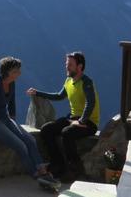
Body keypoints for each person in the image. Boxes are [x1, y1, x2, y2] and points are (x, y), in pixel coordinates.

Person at [0, 56, 60, 189]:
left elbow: (11, 104)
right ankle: (35, 174)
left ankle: (42, 169)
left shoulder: (11, 83)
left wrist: (15, 125)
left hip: (6, 119)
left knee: (30, 140)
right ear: (9, 71)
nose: (19, 73)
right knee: (21, 146)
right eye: (17, 71)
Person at [27, 51, 100, 181]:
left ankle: (74, 169)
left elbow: (91, 102)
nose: (67, 67)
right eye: (67, 64)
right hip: (73, 118)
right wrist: (38, 93)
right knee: (47, 129)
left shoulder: (86, 82)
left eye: (70, 64)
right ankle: (57, 164)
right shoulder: (68, 81)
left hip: (89, 122)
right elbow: (59, 96)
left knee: (67, 133)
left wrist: (82, 120)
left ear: (80, 66)